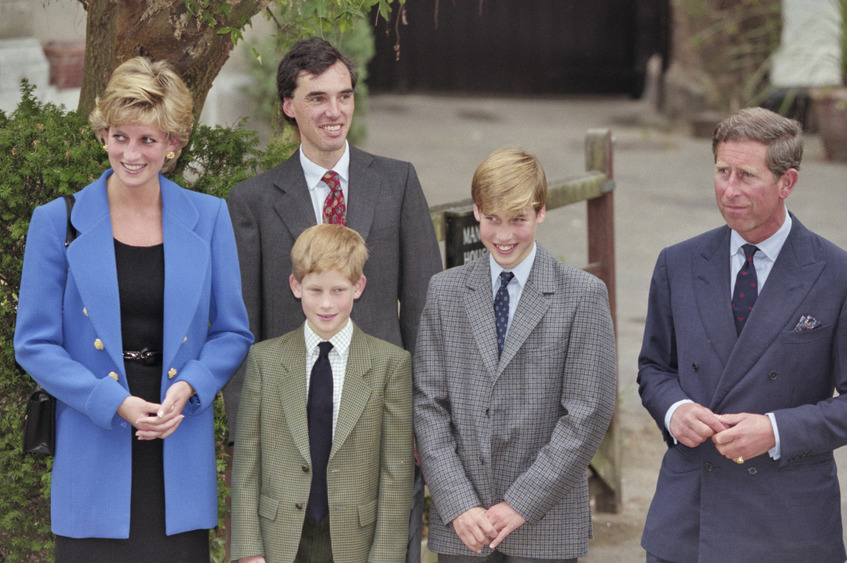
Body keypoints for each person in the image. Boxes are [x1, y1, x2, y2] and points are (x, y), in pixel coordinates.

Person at [13, 57, 253, 561]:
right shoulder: (58, 220)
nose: (132, 153)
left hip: (177, 444)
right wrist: (111, 402)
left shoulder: (208, 217)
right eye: (121, 136)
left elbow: (232, 332)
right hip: (94, 440)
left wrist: (190, 387)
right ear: (103, 135)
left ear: (173, 143)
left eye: (149, 139)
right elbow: (33, 343)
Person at [637, 107, 847, 562]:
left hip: (787, 524)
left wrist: (775, 430)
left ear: (787, 182)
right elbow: (655, 368)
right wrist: (674, 411)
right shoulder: (677, 263)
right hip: (688, 520)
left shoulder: (843, 277)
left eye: (746, 176)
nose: (729, 190)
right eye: (722, 171)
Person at [224, 37, 441, 561]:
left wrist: (424, 423)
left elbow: (424, 313)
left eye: (344, 96)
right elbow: (242, 326)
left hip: (382, 422)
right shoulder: (252, 201)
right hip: (291, 427)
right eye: (318, 98)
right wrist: (242, 437)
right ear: (288, 106)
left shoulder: (398, 182)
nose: (334, 111)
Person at [413, 148, 616, 562]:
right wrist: (457, 502)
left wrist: (522, 502)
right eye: (492, 220)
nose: (504, 235)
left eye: (518, 220)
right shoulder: (445, 291)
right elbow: (427, 404)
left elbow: (587, 413)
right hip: (465, 526)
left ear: (540, 212)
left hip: (546, 523)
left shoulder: (582, 295)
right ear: (476, 212)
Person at [230, 223, 414, 562]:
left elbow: (396, 473)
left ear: (359, 286)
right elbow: (247, 464)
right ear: (295, 286)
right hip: (279, 538)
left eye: (339, 290)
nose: (326, 304)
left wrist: (385, 555)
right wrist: (248, 550)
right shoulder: (265, 360)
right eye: (315, 290)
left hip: (355, 541)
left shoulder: (391, 364)